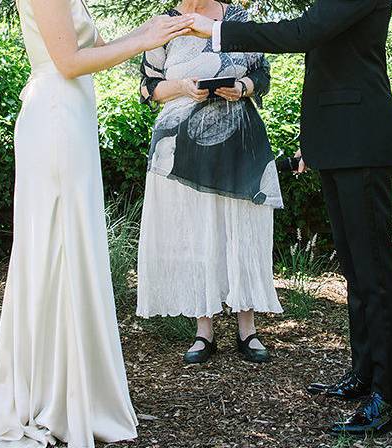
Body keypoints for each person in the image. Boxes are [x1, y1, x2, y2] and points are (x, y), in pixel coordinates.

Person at [0, 1, 192, 447]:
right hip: (56, 117)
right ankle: (56, 395)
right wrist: (143, 43)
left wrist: (145, 30)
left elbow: (91, 48)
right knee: (58, 249)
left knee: (70, 247)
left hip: (69, 113)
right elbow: (69, 62)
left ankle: (70, 388)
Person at [187, 0, 392, 436]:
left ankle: (391, 397)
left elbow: (300, 34)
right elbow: (328, 59)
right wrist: (312, 141)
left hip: (361, 142)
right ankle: (365, 375)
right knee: (356, 271)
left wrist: (219, 31)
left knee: (375, 276)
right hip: (340, 142)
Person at [136, 0, 283, 365]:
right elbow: (147, 87)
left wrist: (244, 87)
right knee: (194, 231)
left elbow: (261, 74)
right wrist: (183, 87)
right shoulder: (164, 25)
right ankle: (204, 329)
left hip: (240, 142)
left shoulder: (237, 19)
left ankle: (247, 327)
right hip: (180, 149)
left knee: (242, 229)